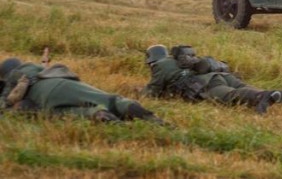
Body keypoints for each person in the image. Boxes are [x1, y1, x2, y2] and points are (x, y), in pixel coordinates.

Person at [143, 44, 282, 114]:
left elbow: (152, 92)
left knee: (236, 97)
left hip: (209, 84)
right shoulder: (180, 60)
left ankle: (261, 98)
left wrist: (137, 91)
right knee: (257, 90)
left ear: (152, 60)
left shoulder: (160, 66)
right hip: (222, 75)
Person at [0, 57, 163, 123]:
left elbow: (4, 108)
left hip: (46, 97)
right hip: (64, 82)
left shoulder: (13, 78)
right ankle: (153, 119)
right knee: (110, 99)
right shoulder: (36, 68)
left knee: (65, 113)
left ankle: (99, 116)